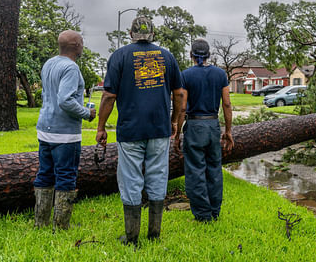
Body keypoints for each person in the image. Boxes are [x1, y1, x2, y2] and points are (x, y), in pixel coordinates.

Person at [96, 16, 185, 245]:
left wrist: (101, 127)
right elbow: (180, 94)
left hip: (130, 129)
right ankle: (154, 234)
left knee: (130, 178)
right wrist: (174, 121)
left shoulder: (119, 56)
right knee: (158, 176)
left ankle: (132, 237)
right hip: (159, 128)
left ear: (130, 34)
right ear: (153, 34)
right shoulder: (167, 56)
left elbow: (108, 96)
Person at [33, 30, 96, 229]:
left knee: (45, 174)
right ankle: (60, 226)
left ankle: (40, 222)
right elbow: (65, 100)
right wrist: (87, 113)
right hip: (65, 134)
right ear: (76, 45)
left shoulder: (49, 64)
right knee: (66, 175)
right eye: (82, 42)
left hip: (45, 128)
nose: (83, 45)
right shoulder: (71, 68)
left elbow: (48, 95)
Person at [174, 38, 234, 223]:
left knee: (195, 170)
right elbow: (227, 104)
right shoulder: (220, 74)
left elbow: (183, 108)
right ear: (208, 55)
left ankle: (202, 214)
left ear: (191, 55)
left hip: (195, 126)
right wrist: (228, 131)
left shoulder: (185, 75)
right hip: (213, 126)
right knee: (214, 169)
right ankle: (215, 210)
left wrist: (177, 133)